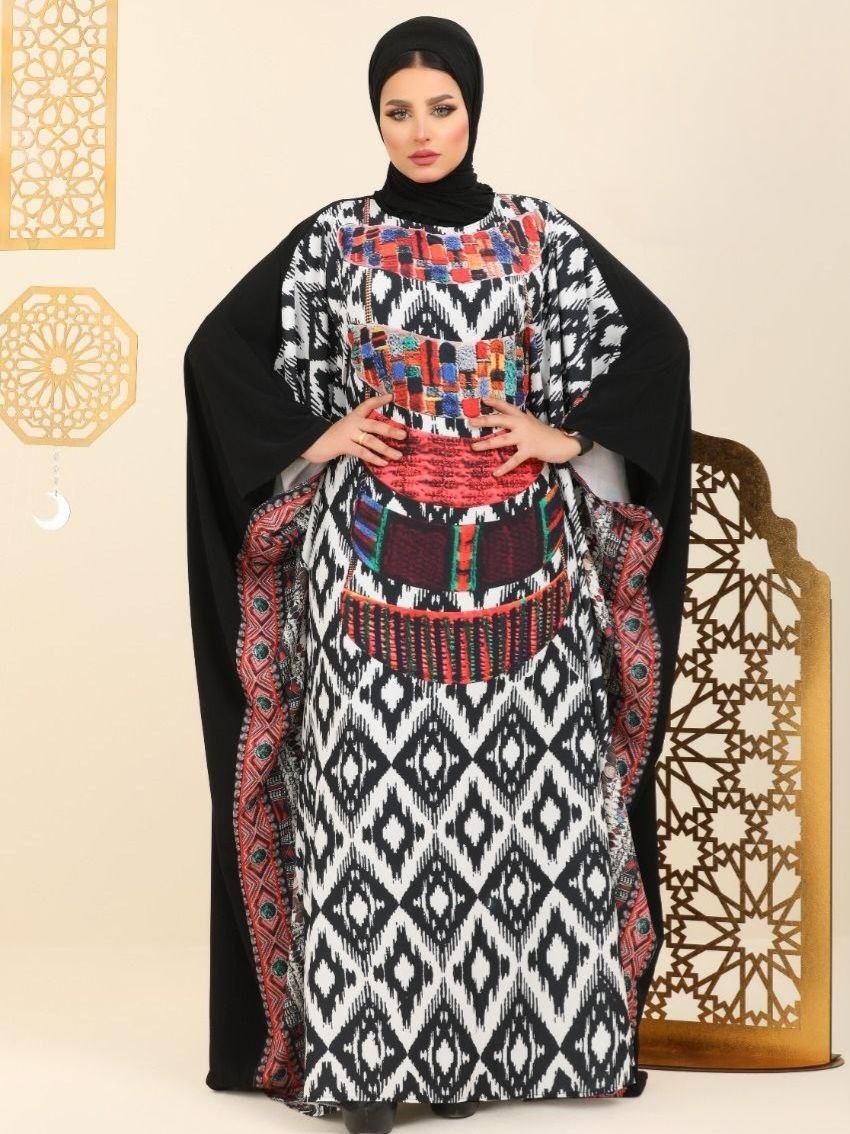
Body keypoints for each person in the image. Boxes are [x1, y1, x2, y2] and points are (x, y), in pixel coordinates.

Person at [183, 14, 691, 1134]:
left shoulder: (537, 238)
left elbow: (656, 346)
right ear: (375, 119)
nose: (421, 131)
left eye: (441, 107)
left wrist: (565, 435)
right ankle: (372, 1060)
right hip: (368, 575)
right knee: (368, 807)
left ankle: (516, 1047)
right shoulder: (334, 241)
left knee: (526, 808)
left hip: (528, 577)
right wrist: (317, 436)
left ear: (473, 108)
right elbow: (216, 353)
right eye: (397, 111)